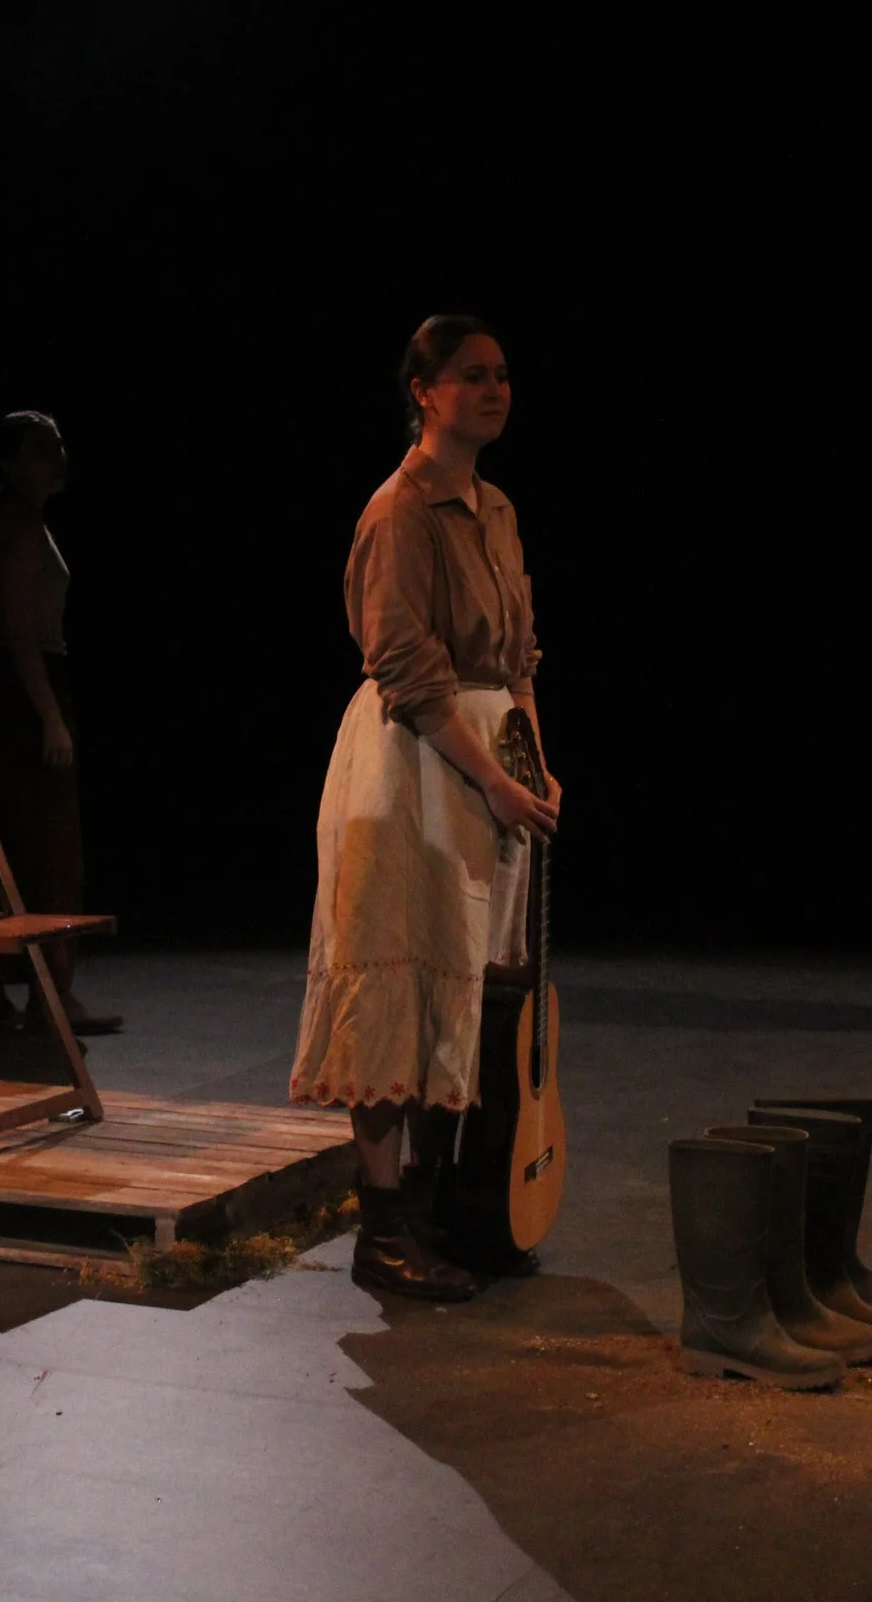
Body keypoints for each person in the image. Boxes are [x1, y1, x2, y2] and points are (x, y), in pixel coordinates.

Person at [291, 316, 561, 1302]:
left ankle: (444, 1207)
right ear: (424, 391)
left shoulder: (497, 508)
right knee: (397, 990)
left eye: (503, 375)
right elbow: (406, 665)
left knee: (469, 993)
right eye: (472, 376)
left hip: (486, 766)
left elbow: (520, 656)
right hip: (414, 764)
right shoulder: (399, 510)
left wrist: (532, 760)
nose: (495, 391)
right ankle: (383, 1231)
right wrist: (492, 776)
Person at [0, 410, 119, 1035]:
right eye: (42, 448)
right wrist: (51, 717)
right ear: (9, 462)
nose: (58, 456)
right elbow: (20, 631)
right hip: (24, 692)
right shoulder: (18, 523)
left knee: (2, 842)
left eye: (58, 444)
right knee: (51, 849)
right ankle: (53, 994)